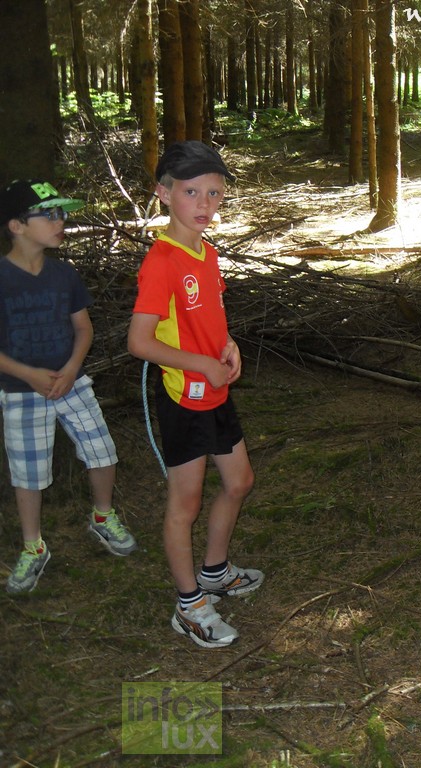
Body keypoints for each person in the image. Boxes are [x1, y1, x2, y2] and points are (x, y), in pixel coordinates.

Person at [127, 141, 262, 648]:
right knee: (184, 503)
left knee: (239, 481)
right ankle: (188, 604)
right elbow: (139, 341)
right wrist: (199, 363)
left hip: (216, 390)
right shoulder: (161, 262)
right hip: (184, 396)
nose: (204, 203)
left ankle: (215, 571)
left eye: (215, 193)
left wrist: (227, 347)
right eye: (191, 192)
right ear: (163, 194)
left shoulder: (206, 252)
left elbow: (209, 317)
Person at [0, 180, 137, 594]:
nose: (62, 222)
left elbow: (83, 327)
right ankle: (33, 545)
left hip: (72, 383)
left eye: (63, 213)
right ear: (17, 226)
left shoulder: (65, 274)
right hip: (22, 391)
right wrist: (30, 375)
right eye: (50, 214)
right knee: (28, 473)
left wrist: (72, 367)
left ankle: (102, 515)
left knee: (101, 450)